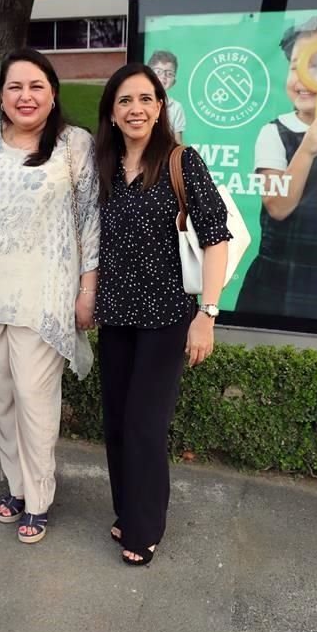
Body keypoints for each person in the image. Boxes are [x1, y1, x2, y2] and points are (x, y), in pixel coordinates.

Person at [94, 62, 230, 566]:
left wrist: (207, 314)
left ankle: (144, 528)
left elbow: (215, 238)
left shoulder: (180, 161)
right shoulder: (103, 166)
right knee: (115, 424)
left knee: (145, 426)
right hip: (116, 319)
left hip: (166, 318)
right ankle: (128, 509)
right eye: (126, 100)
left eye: (146, 99)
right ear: (111, 112)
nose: (136, 109)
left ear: (159, 108)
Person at [0, 48, 99, 544]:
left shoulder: (73, 145)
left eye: (36, 86)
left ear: (53, 93)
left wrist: (87, 289)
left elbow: (90, 220)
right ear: (1, 96)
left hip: (42, 300)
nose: (25, 96)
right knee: (1, 398)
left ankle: (39, 497)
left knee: (34, 400)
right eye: (15, 87)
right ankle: (16, 486)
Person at [236, 12, 317, 320]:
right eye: (295, 66)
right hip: (280, 278)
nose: (303, 78)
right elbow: (278, 206)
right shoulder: (276, 132)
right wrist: (307, 150)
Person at [148, 49, 186, 142]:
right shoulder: (138, 102)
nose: (163, 76)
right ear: (148, 75)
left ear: (174, 82)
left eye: (169, 73)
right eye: (158, 72)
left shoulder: (176, 107)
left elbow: (178, 142)